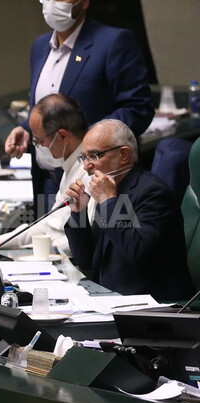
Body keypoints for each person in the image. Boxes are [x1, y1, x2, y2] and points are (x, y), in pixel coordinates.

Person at [3, 1, 152, 172]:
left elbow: (138, 109)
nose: (53, 2)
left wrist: (91, 140)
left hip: (94, 174)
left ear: (84, 3)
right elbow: (48, 111)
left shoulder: (113, 42)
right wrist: (27, 129)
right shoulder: (39, 46)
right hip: (46, 175)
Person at [64, 120, 193, 303]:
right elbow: (86, 260)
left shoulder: (153, 193)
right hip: (110, 300)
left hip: (152, 308)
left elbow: (138, 254)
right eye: (83, 157)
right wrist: (79, 213)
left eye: (94, 156)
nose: (86, 166)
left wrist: (109, 202)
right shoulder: (111, 191)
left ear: (124, 155)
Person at [0, 93, 88, 253]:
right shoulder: (70, 163)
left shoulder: (88, 171)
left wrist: (31, 253)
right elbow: (50, 224)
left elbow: (83, 240)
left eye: (39, 140)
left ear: (62, 136)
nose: (37, 145)